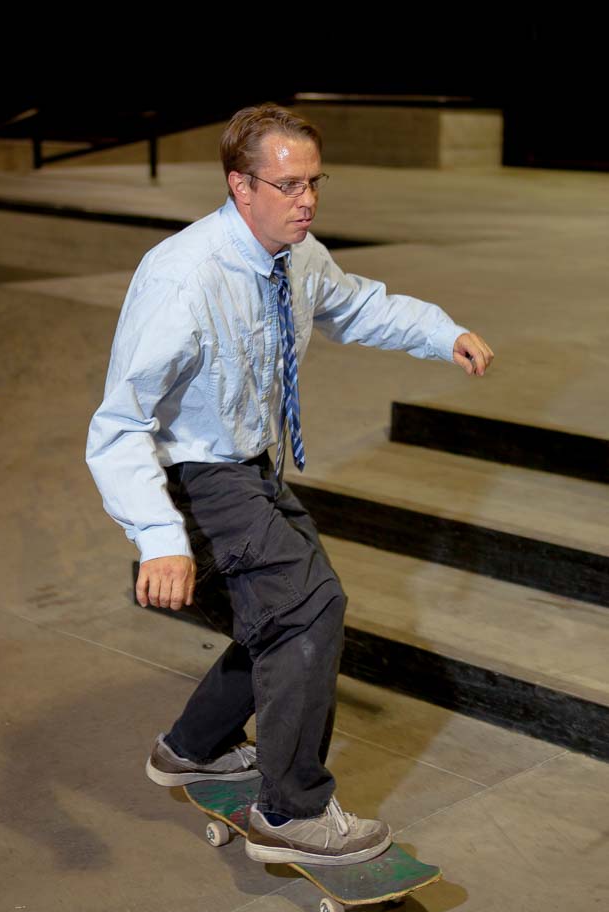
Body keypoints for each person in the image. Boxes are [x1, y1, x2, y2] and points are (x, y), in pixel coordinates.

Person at [86, 102, 494, 867]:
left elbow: (355, 304)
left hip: (253, 464)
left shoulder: (295, 255)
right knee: (310, 609)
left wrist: (443, 332)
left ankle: (193, 748)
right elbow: (118, 426)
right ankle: (291, 812)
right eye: (286, 185)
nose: (304, 200)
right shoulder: (184, 277)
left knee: (282, 613)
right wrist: (159, 538)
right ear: (240, 186)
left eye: (313, 182)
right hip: (192, 473)